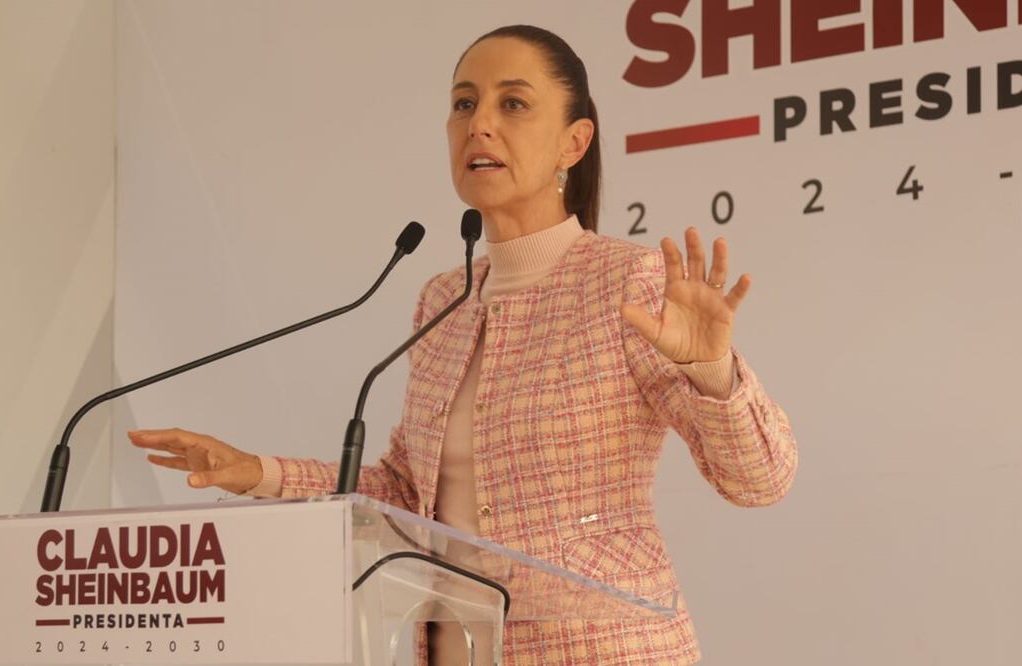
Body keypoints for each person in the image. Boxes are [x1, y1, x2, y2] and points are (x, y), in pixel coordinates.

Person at [128, 24, 797, 665]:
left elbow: (760, 481)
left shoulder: (626, 282)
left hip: (597, 651)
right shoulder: (442, 299)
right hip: (452, 646)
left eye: (513, 104)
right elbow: (405, 490)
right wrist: (257, 472)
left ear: (573, 143)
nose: (479, 124)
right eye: (464, 104)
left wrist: (712, 371)